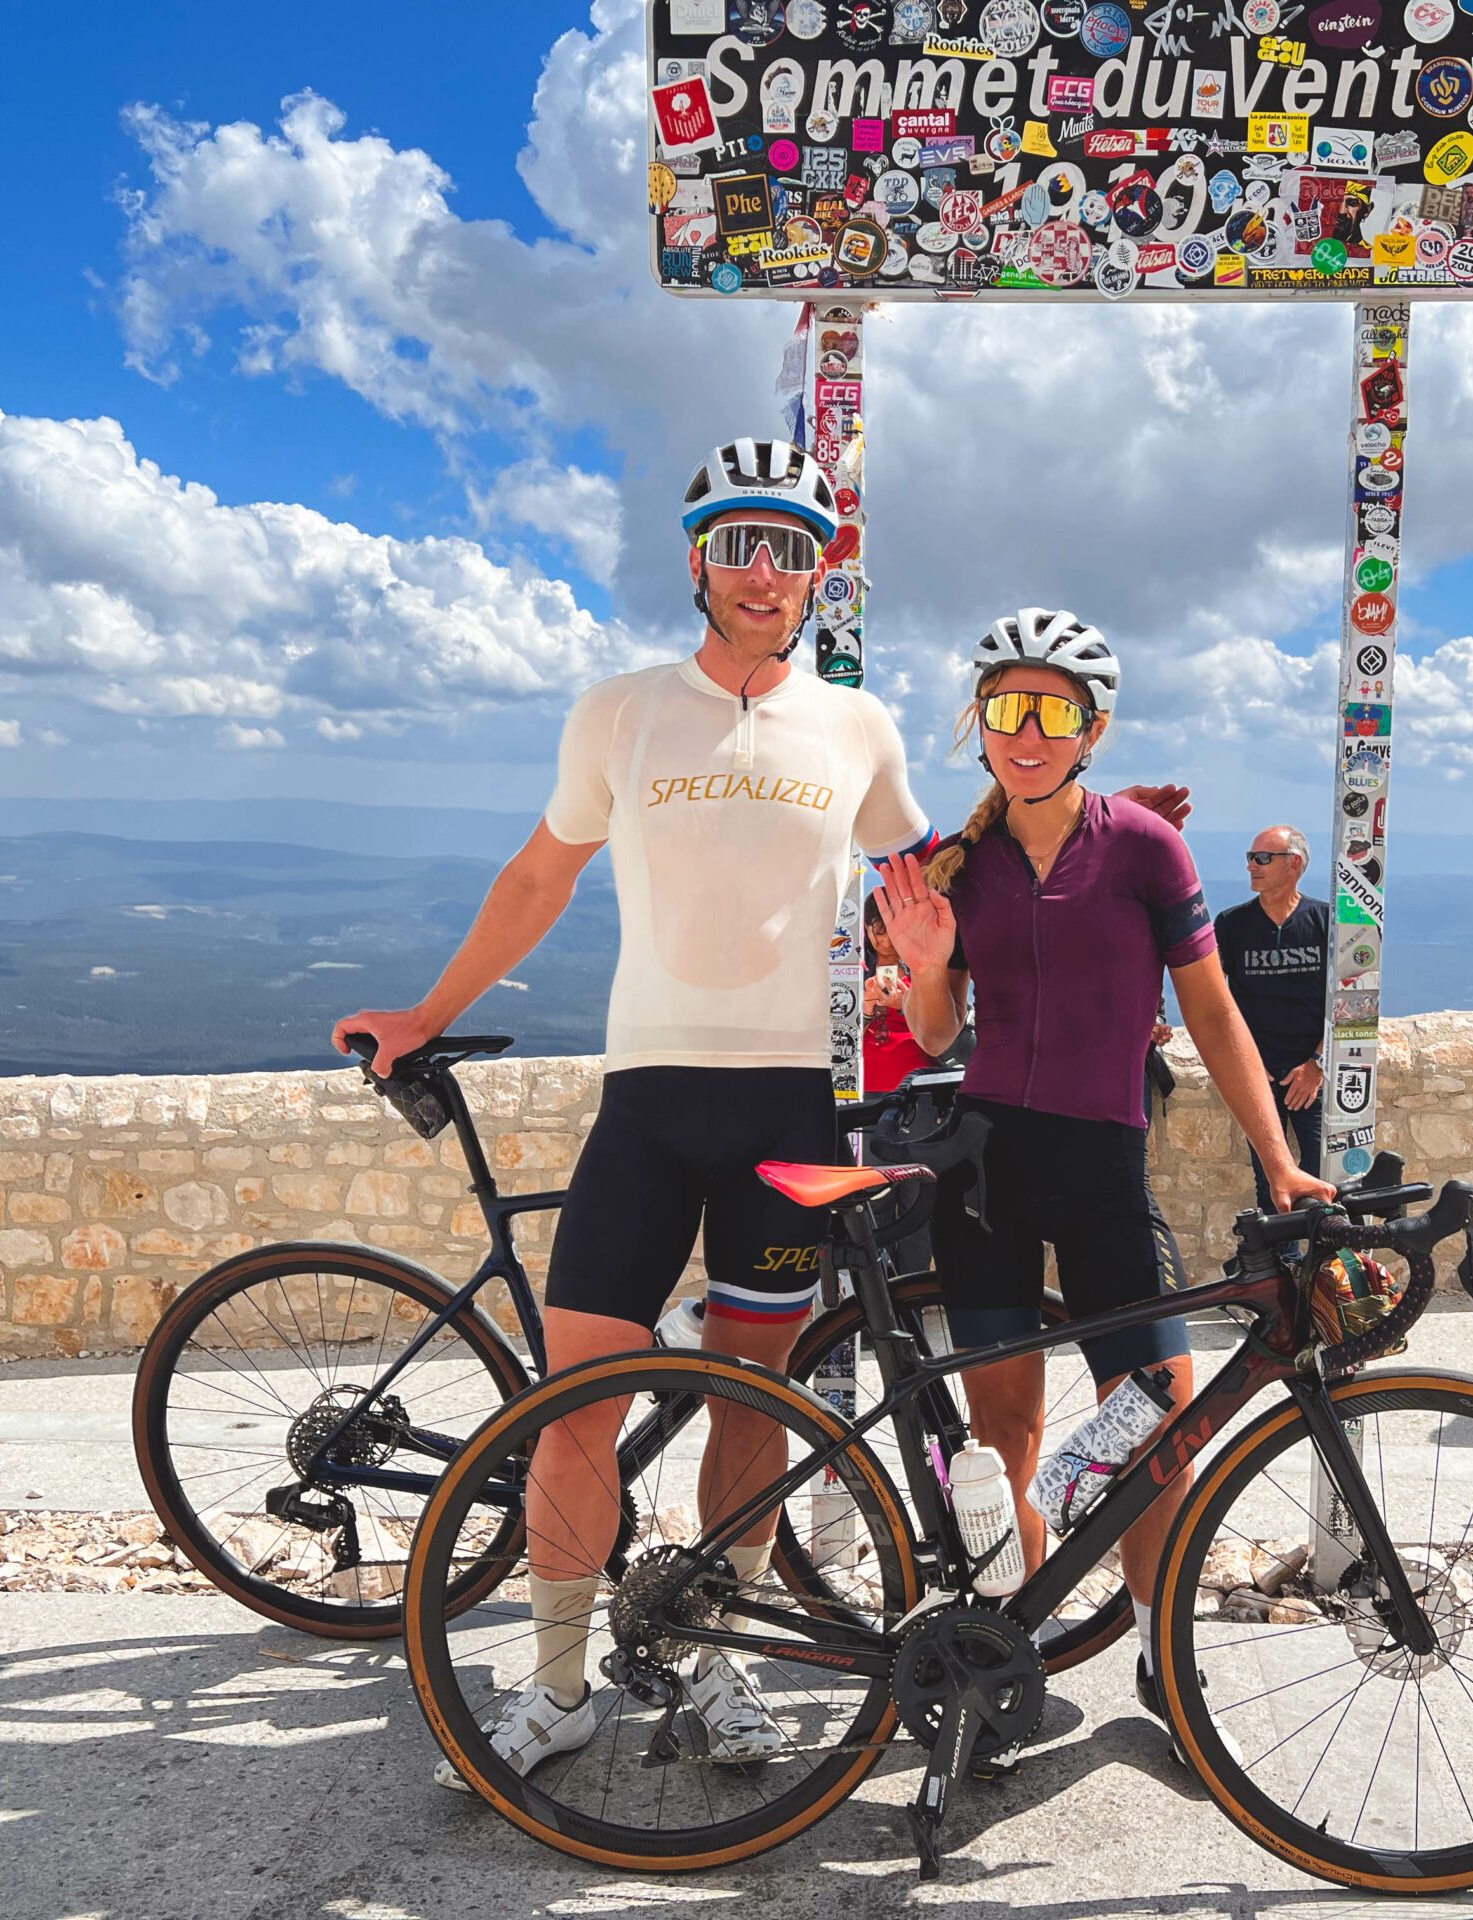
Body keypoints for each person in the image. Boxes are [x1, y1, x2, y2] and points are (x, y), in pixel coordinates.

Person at [333, 437, 936, 1779]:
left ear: (822, 567)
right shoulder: (618, 712)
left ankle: (718, 1663)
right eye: (740, 543)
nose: (765, 572)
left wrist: (1059, 894)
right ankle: (555, 1687)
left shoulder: (858, 726)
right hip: (652, 1102)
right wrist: (426, 1013)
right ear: (697, 561)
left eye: (791, 546)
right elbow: (542, 876)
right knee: (576, 1401)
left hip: (789, 1108)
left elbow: (929, 895)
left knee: (754, 1405)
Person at [875, 608, 1339, 1757]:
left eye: (1052, 712)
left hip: (1099, 1165)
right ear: (977, 723)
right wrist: (929, 971)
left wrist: (1278, 1156)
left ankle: (1157, 1657)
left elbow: (1214, 1010)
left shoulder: (1144, 847)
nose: (1025, 733)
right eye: (1004, 709)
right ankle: (1002, 1657)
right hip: (984, 1168)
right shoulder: (958, 863)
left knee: (1154, 1427)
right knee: (1005, 1439)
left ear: (1092, 727)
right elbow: (935, 1039)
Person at [1215, 824, 1328, 1210]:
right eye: (1250, 858)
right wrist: (1243, 1060)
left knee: (1323, 1177)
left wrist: (1316, 1063)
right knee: (1268, 1182)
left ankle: (1322, 1264)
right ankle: (1282, 1264)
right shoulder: (1231, 924)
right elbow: (1215, 999)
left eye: (1262, 858)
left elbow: (1347, 1004)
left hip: (1310, 1073)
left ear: (1293, 863)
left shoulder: (1326, 922)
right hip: (1256, 1071)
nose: (1251, 867)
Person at [861, 890, 937, 1092]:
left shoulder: (926, 967)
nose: (885, 942)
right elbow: (839, 1039)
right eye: (878, 933)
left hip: (918, 1089)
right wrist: (866, 1010)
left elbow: (943, 1032)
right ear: (865, 927)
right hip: (861, 1088)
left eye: (892, 933)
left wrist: (908, 1005)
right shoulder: (852, 971)